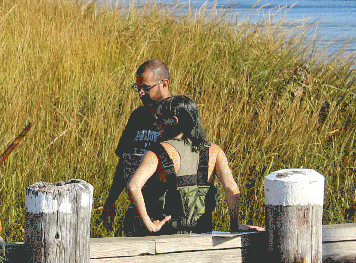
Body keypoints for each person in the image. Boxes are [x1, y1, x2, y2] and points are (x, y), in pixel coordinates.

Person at [126, 95, 261, 235]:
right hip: (202, 237)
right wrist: (235, 224)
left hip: (165, 238)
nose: (156, 123)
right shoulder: (214, 151)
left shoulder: (157, 152)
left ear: (174, 121)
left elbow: (133, 186)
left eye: (160, 118)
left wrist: (148, 223)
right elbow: (231, 188)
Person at [100, 59, 173, 235]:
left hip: (165, 215)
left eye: (146, 88)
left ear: (164, 84)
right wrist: (111, 201)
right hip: (136, 212)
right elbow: (124, 161)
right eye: (137, 87)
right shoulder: (138, 116)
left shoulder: (177, 115)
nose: (140, 93)